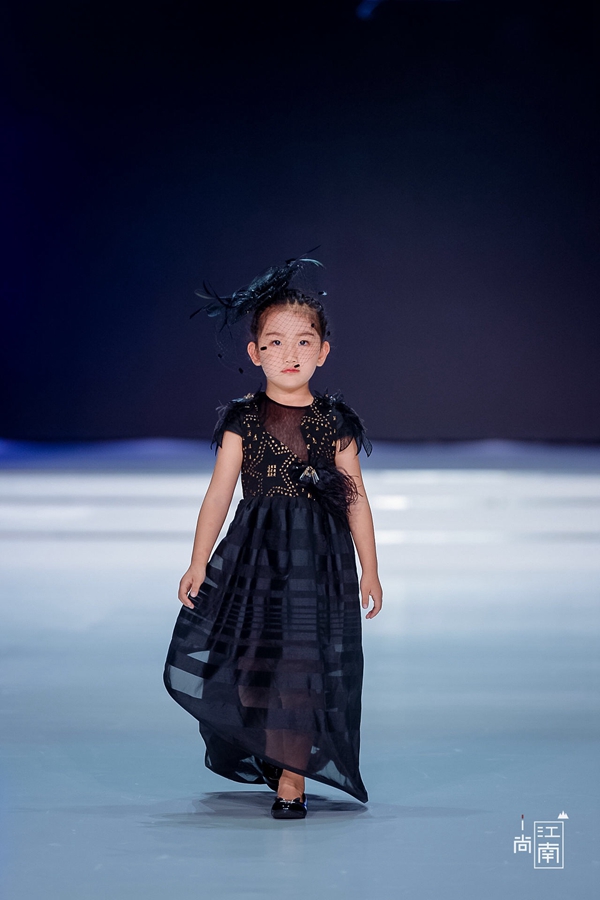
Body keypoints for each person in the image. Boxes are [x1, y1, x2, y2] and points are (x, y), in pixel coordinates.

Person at [163, 256, 383, 819]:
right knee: (253, 664)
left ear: (324, 352)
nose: (290, 354)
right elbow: (218, 494)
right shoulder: (243, 421)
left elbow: (356, 498)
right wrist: (198, 561)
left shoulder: (335, 423)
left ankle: (292, 777)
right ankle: (269, 747)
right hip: (254, 559)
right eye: (275, 342)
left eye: (304, 342)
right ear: (254, 352)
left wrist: (371, 568)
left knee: (302, 666)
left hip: (318, 561)